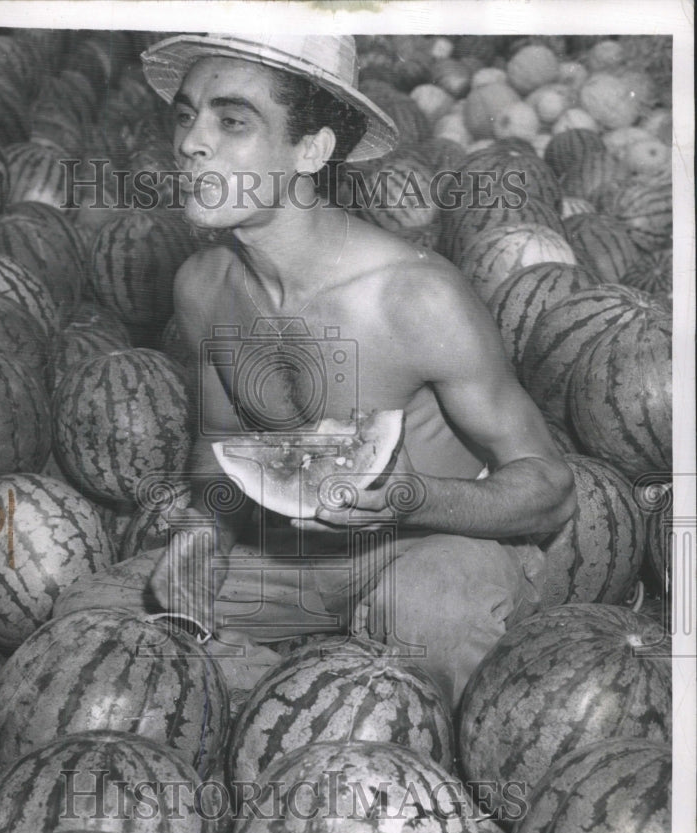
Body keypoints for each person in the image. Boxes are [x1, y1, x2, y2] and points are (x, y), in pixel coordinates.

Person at [56, 33, 576, 709]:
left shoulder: (416, 297)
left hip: (437, 541)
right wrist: (202, 534)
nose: (190, 142)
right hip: (295, 558)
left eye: (233, 121)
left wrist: (411, 498)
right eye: (186, 115)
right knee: (100, 614)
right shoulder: (202, 285)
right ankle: (274, 693)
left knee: (431, 615)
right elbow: (218, 451)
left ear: (312, 150)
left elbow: (551, 490)